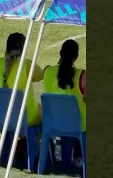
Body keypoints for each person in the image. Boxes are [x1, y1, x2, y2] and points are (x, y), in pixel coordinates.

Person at [41, 39, 86, 169]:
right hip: (77, 124)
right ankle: (79, 157)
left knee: (68, 119)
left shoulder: (48, 71)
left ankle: (67, 161)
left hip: (53, 122)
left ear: (60, 53)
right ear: (76, 57)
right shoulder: (81, 74)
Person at [0, 32, 45, 128]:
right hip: (25, 117)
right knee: (46, 113)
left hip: (2, 115)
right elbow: (42, 75)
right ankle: (39, 142)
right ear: (23, 48)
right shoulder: (27, 65)